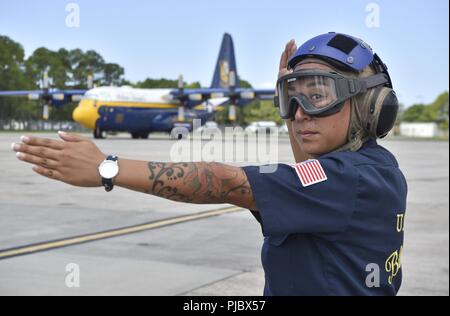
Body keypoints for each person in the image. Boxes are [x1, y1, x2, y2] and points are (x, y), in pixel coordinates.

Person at [11, 32, 407, 296]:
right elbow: (310, 174)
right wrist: (295, 112)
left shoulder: (347, 179)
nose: (299, 113)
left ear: (370, 106)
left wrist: (106, 168)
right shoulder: (375, 171)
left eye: (317, 96)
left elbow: (222, 181)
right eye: (290, 98)